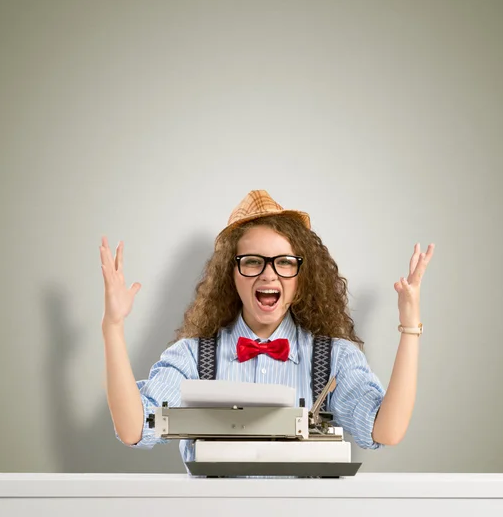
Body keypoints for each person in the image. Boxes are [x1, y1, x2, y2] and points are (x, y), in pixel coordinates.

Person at [100, 190, 434, 468]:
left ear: (302, 275)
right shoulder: (192, 356)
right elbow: (134, 429)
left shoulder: (333, 358)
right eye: (252, 261)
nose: (268, 275)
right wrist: (113, 327)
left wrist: (409, 326)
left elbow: (385, 431)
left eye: (284, 262)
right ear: (231, 274)